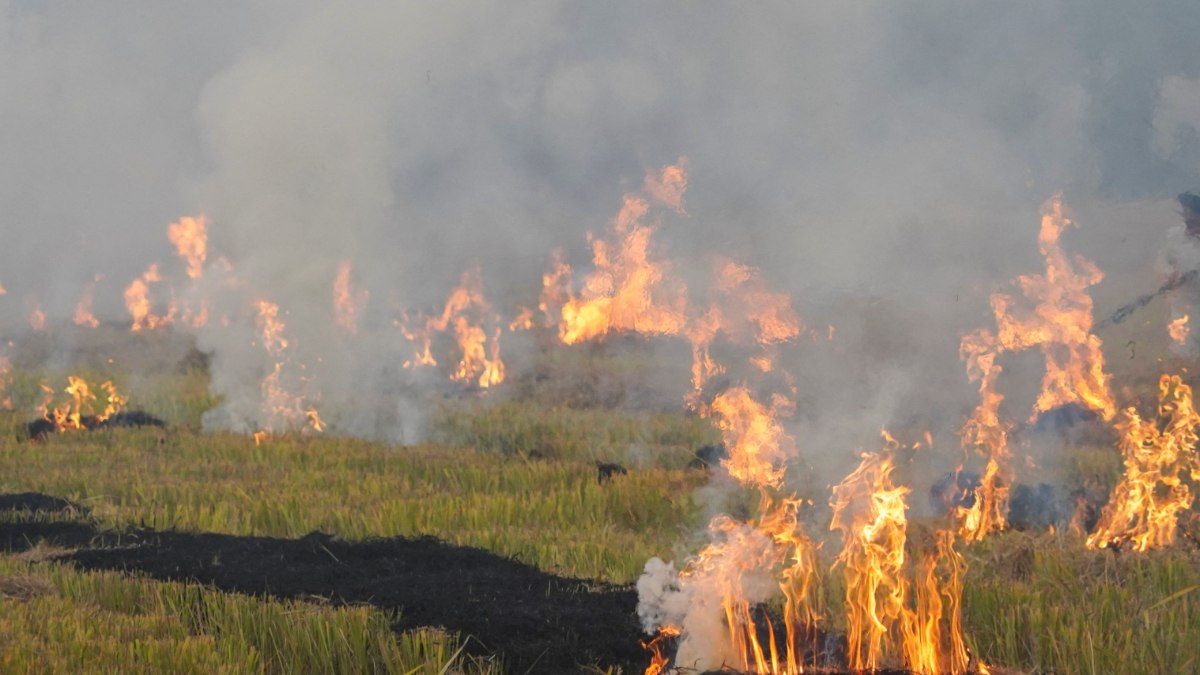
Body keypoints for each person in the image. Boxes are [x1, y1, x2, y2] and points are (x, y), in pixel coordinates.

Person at [1157, 192, 1200, 353]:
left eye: (1194, 213)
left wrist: (1191, 275)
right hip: (1183, 305)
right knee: (1183, 352)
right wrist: (1169, 274)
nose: (1188, 218)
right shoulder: (1175, 236)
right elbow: (1163, 261)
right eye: (1186, 211)